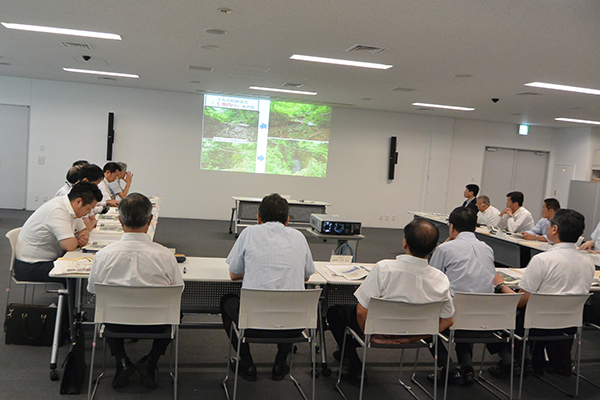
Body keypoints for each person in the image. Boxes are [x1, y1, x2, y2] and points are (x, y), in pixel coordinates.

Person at [327, 218, 454, 386]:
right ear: (434, 248)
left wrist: (369, 336)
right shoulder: (441, 279)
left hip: (380, 329)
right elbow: (448, 319)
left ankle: (355, 366)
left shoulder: (384, 268)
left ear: (404, 243)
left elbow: (361, 312)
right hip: (415, 330)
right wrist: (413, 338)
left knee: (335, 312)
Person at [87, 193, 184, 389]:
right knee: (177, 311)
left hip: (115, 324)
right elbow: (177, 291)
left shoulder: (103, 255)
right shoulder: (165, 256)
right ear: (150, 220)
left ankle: (122, 361)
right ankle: (150, 362)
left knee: (103, 308)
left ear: (119, 220)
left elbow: (93, 289)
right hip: (158, 324)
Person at [220, 193, 315, 382]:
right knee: (289, 303)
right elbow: (306, 276)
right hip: (292, 326)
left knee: (226, 302)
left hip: (252, 325)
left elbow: (233, 274)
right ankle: (280, 363)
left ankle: (246, 363)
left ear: (258, 218)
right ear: (287, 220)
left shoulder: (249, 233)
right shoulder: (299, 237)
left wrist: (255, 270)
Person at [490, 209, 594, 378]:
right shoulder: (588, 262)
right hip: (568, 326)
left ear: (555, 230)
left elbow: (521, 301)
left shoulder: (542, 260)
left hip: (536, 325)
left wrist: (501, 285)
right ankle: (529, 360)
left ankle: (511, 362)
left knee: (493, 316)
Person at [429, 207, 495, 386]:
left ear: (451, 227)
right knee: (465, 306)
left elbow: (432, 278)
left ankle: (448, 367)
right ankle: (467, 367)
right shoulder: (487, 248)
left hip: (453, 317)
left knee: (427, 317)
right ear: (475, 228)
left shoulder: (445, 249)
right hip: (485, 318)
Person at [14, 182, 102, 283]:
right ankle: (71, 298)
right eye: (88, 209)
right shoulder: (57, 210)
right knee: (79, 276)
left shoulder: (73, 209)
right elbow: (69, 245)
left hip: (47, 259)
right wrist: (77, 240)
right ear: (79, 202)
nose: (88, 213)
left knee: (83, 268)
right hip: (31, 265)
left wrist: (82, 237)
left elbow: (85, 230)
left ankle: (71, 298)